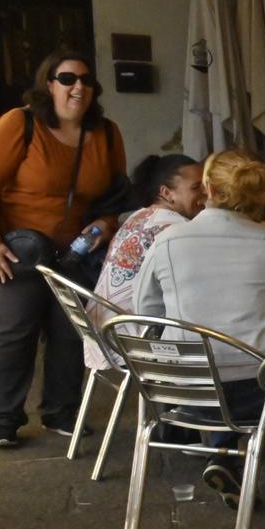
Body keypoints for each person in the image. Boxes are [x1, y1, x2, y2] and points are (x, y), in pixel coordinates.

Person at [131, 150, 265, 508]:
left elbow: (146, 315)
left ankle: (225, 457)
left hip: (186, 394)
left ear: (208, 188)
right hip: (261, 395)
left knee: (214, 353)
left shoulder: (166, 243)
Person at [0, 48, 128, 448]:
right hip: (11, 248)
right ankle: (4, 416)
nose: (78, 88)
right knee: (12, 329)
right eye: (68, 79)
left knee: (70, 330)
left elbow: (115, 196)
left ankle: (62, 411)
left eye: (86, 80)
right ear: (49, 85)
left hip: (71, 251)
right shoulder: (19, 124)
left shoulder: (106, 133)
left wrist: (105, 226)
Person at [83, 153, 204, 373]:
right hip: (134, 339)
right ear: (167, 193)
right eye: (196, 188)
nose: (205, 195)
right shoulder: (176, 231)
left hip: (103, 331)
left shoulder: (138, 216)